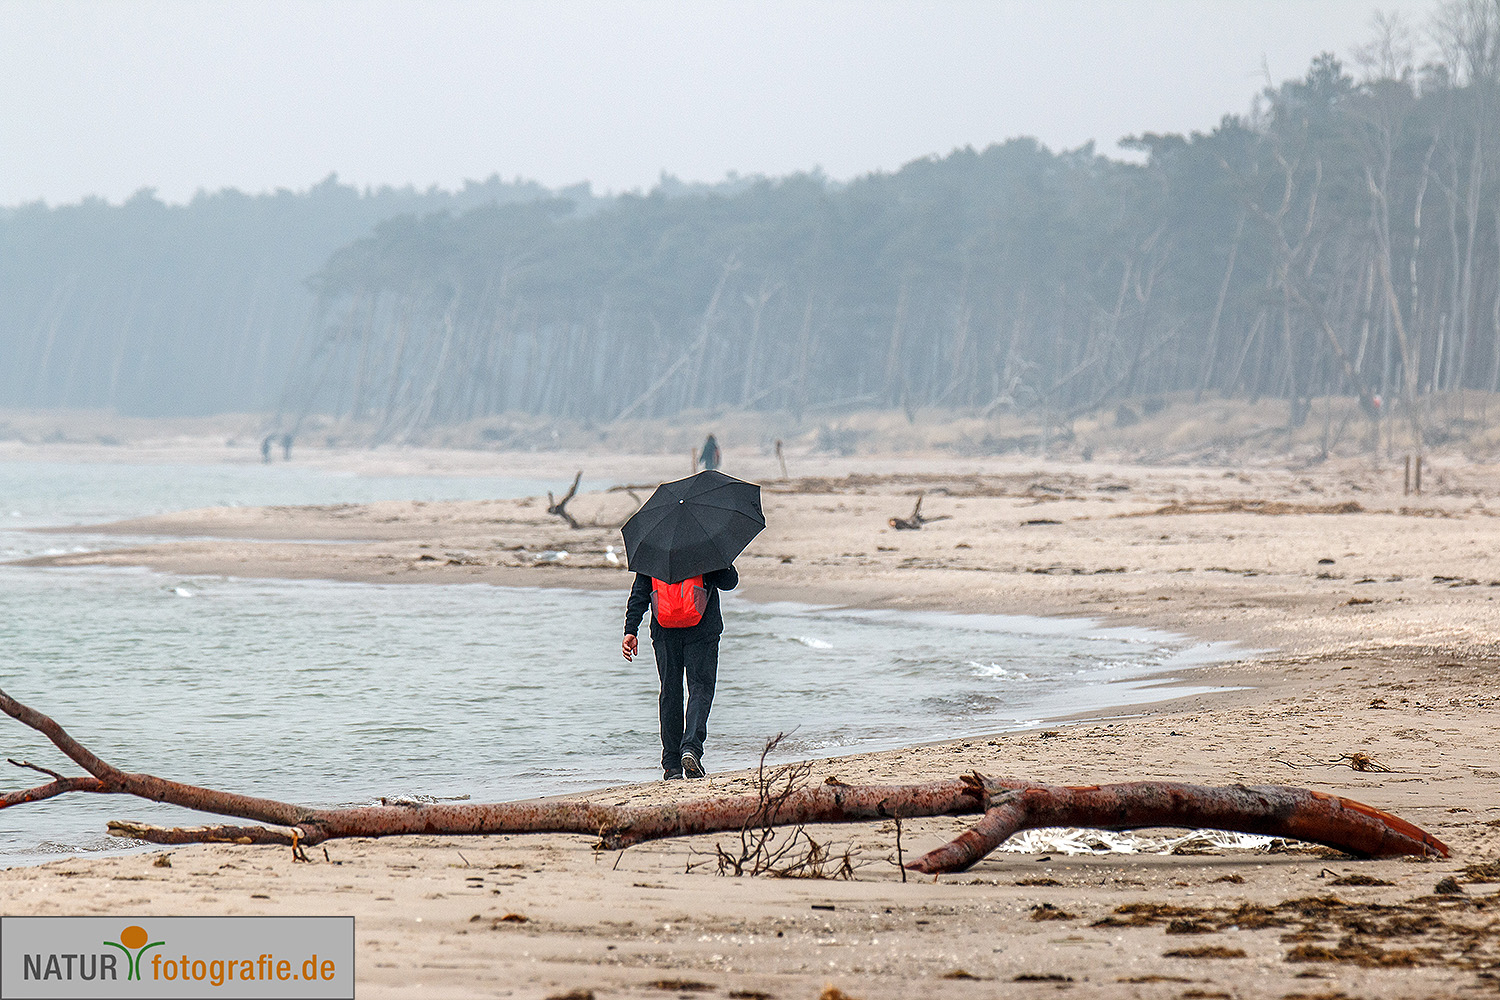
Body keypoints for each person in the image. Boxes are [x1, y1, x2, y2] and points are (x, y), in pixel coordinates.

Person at [622, 564, 738, 779]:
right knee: (700, 689)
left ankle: (671, 765)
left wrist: (631, 630)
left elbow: (640, 592)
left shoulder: (656, 549)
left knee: (670, 693)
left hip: (665, 631)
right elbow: (729, 582)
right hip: (703, 629)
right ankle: (691, 748)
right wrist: (724, 563)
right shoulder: (706, 548)